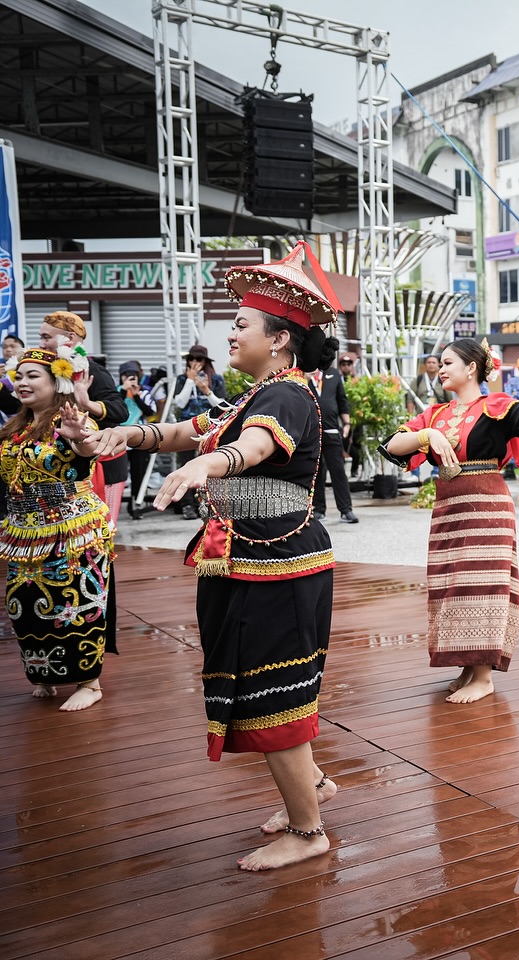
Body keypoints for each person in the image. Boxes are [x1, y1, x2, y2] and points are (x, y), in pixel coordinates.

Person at [91, 241, 342, 871]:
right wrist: (130, 433)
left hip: (276, 568)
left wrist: (212, 463)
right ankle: (309, 789)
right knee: (275, 688)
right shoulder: (256, 393)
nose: (230, 332)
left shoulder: (285, 398)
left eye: (241, 324)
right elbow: (192, 432)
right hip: (257, 564)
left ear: (280, 339)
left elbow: (250, 449)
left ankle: (308, 835)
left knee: (273, 695)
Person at [381, 338, 519, 704]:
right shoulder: (435, 415)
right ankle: (468, 666)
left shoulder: (495, 407)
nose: (441, 368)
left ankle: (483, 677)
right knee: (451, 583)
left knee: (480, 582)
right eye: (441, 363)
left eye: (449, 362)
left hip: (487, 505)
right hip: (449, 506)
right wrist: (428, 434)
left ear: (472, 368)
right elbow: (392, 445)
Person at [1, 347, 113, 711]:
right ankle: (45, 674)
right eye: (19, 376)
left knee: (74, 602)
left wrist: (79, 438)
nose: (23, 382)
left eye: (33, 376)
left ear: (56, 382)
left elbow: (86, 453)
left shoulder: (73, 420)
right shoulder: (14, 426)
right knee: (25, 606)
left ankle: (90, 682)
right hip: (24, 532)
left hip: (73, 531)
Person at [170, 344, 229, 520]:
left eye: (199, 359)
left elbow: (222, 407)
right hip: (187, 427)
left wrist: (206, 390)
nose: (195, 362)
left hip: (210, 428)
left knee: (209, 466)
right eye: (191, 359)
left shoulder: (216, 379)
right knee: (186, 464)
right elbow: (179, 403)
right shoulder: (181, 379)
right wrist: (190, 381)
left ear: (205, 362)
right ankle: (187, 504)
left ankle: (207, 503)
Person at [308, 358, 357, 523]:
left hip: (332, 430)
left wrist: (347, 423)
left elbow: (342, 401)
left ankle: (346, 510)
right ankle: (318, 509)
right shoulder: (303, 374)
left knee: (338, 471)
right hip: (311, 433)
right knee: (317, 471)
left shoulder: (333, 374)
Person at [117, 360, 155, 520]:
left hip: (139, 437)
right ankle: (115, 505)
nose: (131, 379)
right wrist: (124, 392)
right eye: (127, 376)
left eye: (133, 376)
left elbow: (150, 411)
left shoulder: (145, 393)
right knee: (120, 474)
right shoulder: (116, 393)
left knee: (139, 473)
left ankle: (136, 506)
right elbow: (114, 409)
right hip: (120, 438)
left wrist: (137, 395)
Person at [338, 352, 363, 479]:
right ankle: (340, 471)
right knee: (342, 444)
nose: (346, 367)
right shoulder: (337, 381)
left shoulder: (356, 382)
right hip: (341, 420)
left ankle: (355, 470)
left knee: (357, 447)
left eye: (348, 364)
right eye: (343, 364)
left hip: (356, 419)